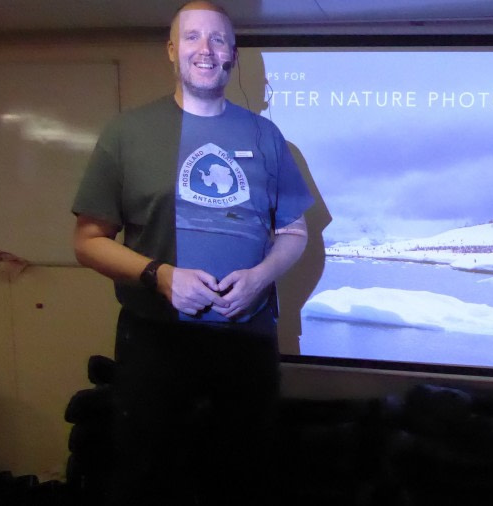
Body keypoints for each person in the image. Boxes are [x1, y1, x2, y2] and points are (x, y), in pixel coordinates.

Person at [71, 1, 313, 504]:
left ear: (233, 56)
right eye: (192, 37)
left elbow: (294, 232)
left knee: (243, 478)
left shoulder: (265, 136)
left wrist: (260, 278)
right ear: (171, 50)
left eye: (219, 39)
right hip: (155, 343)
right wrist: (158, 274)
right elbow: (88, 241)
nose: (206, 49)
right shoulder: (126, 134)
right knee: (150, 479)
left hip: (246, 342)